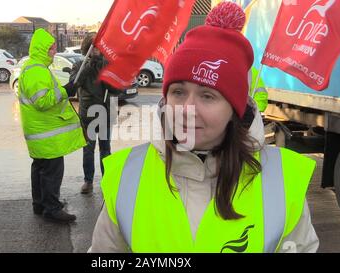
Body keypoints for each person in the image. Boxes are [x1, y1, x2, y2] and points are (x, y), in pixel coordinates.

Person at [89, 2, 319, 253]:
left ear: (234, 108)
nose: (188, 108)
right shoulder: (125, 175)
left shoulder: (282, 179)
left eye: (207, 96)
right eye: (178, 92)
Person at [18, 29, 86, 223]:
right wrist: (66, 90)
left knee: (40, 169)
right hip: (46, 134)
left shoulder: (35, 68)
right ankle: (52, 208)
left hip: (41, 133)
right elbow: (43, 102)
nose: (54, 51)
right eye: (52, 47)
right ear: (42, 49)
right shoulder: (37, 71)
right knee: (51, 172)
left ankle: (40, 204)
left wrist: (66, 88)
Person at [67, 33, 121, 194]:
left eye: (99, 47)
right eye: (93, 47)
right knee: (88, 149)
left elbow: (116, 89)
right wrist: (89, 66)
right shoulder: (79, 65)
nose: (96, 50)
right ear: (87, 48)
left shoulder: (108, 64)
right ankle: (88, 181)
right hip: (88, 114)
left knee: (105, 148)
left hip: (105, 112)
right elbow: (75, 83)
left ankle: (107, 180)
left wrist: (105, 73)